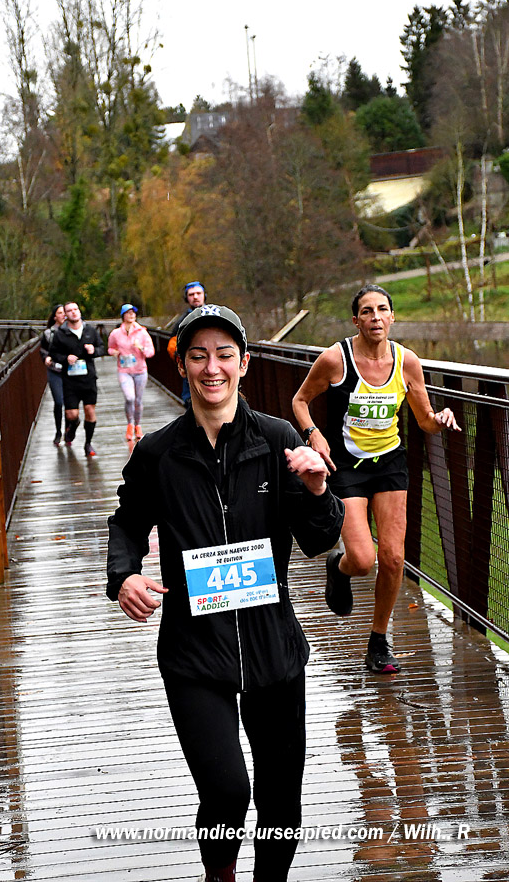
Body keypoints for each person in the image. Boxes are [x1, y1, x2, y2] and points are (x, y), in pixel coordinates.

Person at [107, 304, 344, 882]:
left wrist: (317, 491)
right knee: (227, 791)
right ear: (182, 366)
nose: (212, 368)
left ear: (243, 363)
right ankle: (220, 874)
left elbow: (320, 539)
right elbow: (127, 523)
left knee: (281, 799)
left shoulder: (277, 439)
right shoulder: (158, 453)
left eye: (224, 355)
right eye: (198, 356)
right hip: (194, 651)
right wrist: (125, 575)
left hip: (272, 647)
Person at [292, 284, 461, 674]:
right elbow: (300, 401)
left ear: (392, 316)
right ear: (356, 321)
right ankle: (339, 567)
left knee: (393, 557)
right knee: (363, 560)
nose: (375, 317)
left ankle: (379, 640)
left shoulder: (407, 362)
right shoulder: (335, 359)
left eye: (382, 309)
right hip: (347, 466)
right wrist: (313, 434)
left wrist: (440, 419)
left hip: (389, 465)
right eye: (367, 311)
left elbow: (424, 420)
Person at [48, 301, 105, 457]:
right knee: (71, 414)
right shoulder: (60, 334)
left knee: (90, 410)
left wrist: (94, 351)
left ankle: (88, 444)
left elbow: (102, 348)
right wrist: (66, 358)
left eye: (76, 309)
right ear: (66, 315)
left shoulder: (90, 330)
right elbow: (53, 354)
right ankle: (73, 426)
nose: (74, 312)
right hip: (70, 381)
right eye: (69, 310)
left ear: (79, 311)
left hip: (88, 378)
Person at [107, 304, 155, 441]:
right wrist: (114, 352)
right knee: (130, 398)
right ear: (123, 316)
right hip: (124, 371)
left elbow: (151, 352)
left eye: (133, 313)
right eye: (128, 313)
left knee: (138, 400)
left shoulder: (142, 332)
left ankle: (138, 425)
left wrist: (140, 348)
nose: (131, 315)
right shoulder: (116, 333)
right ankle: (130, 424)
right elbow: (110, 348)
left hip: (140, 370)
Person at [167, 281, 207, 406]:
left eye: (198, 293)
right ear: (186, 298)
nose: (195, 297)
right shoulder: (182, 321)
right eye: (191, 294)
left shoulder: (215, 315)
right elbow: (172, 345)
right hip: (191, 369)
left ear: (204, 295)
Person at [40, 304, 66, 445]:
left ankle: (69, 429)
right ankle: (58, 431)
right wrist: (46, 358)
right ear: (55, 316)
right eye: (60, 313)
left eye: (65, 312)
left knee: (70, 403)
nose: (63, 315)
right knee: (59, 401)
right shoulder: (48, 333)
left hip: (70, 371)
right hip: (54, 370)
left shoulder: (72, 331)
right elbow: (43, 350)